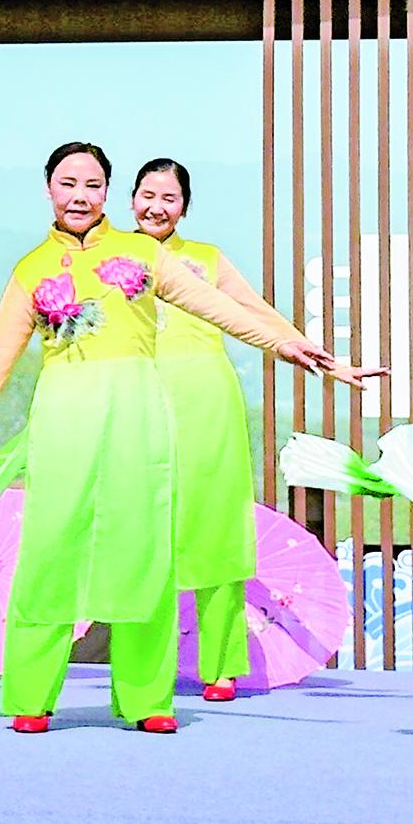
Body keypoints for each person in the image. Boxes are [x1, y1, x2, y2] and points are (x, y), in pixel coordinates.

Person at [0, 142, 379, 735]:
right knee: (51, 547)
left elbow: (219, 307)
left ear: (106, 193)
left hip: (138, 415)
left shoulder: (141, 254)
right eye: (68, 183)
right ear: (48, 189)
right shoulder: (31, 270)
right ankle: (31, 696)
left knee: (141, 549)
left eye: (92, 185)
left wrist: (289, 346)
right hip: (65, 415)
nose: (79, 196)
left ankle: (147, 698)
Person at [127, 157, 287, 701]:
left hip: (207, 401)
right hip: (137, 400)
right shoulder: (112, 258)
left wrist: (312, 353)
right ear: (131, 200)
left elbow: (256, 313)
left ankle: (221, 665)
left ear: (184, 208)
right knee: (143, 532)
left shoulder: (206, 259)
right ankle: (147, 666)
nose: (157, 207)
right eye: (148, 195)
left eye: (169, 198)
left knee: (215, 528)